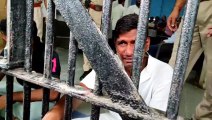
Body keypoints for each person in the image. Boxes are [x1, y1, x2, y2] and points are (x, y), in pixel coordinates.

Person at [43, 14, 173, 120]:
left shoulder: (164, 72)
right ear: (115, 46)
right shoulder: (112, 63)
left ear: (147, 44)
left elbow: (157, 117)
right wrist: (55, 113)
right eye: (122, 43)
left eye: (135, 43)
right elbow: (80, 92)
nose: (129, 52)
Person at [0, 21, 61, 120]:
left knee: (29, 113)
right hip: (23, 90)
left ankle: (12, 113)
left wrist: (13, 97)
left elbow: (53, 93)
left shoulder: (49, 54)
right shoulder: (11, 50)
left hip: (42, 97)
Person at [167, 0, 212, 119]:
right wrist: (177, 7)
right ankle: (161, 110)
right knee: (173, 68)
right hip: (193, 6)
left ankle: (201, 118)